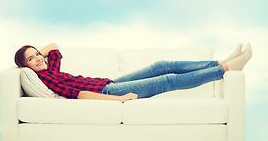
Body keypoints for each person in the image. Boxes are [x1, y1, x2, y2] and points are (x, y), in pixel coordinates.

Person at [14, 43, 252, 103]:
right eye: (32, 59)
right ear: (25, 67)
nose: (39, 59)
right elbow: (81, 95)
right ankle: (226, 69)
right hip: (108, 90)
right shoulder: (45, 79)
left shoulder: (48, 69)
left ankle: (219, 62)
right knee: (167, 81)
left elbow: (54, 48)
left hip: (109, 82)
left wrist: (35, 53)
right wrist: (119, 99)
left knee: (161, 65)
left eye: (37, 54)